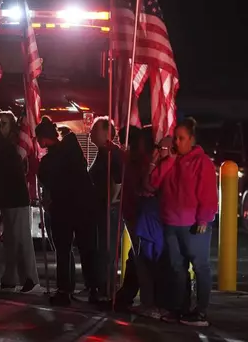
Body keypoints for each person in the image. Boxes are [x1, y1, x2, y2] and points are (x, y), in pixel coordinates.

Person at [149, 118, 217, 327]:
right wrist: (166, 160)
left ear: (191, 139)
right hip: (171, 222)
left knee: (200, 267)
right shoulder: (170, 160)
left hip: (194, 224)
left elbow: (207, 193)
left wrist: (204, 218)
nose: (177, 142)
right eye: (175, 138)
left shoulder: (202, 162)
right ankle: (180, 308)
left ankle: (201, 311)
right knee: (177, 267)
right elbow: (152, 183)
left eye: (181, 138)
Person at [36, 116, 100, 306]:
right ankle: (93, 288)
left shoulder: (50, 161)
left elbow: (47, 182)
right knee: (87, 249)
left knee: (63, 251)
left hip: (63, 209)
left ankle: (65, 289)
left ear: (42, 139)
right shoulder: (73, 148)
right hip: (84, 206)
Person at [0, 111, 41, 293]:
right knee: (10, 241)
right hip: (8, 198)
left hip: (16, 198)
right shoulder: (0, 147)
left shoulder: (6, 146)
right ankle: (10, 277)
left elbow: (3, 170)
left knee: (21, 240)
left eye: (4, 124)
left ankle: (30, 277)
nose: (2, 128)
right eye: (0, 124)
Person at [115, 126, 165, 318]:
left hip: (139, 215)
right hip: (137, 213)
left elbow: (143, 186)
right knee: (138, 257)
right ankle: (132, 296)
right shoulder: (135, 159)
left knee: (142, 259)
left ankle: (148, 301)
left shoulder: (137, 161)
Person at [88, 116, 122, 300]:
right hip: (100, 207)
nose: (91, 133)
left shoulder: (112, 153)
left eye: (95, 129)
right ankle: (101, 287)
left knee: (107, 250)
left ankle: (108, 289)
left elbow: (118, 180)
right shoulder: (101, 152)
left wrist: (111, 202)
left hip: (109, 209)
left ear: (107, 132)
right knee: (100, 249)